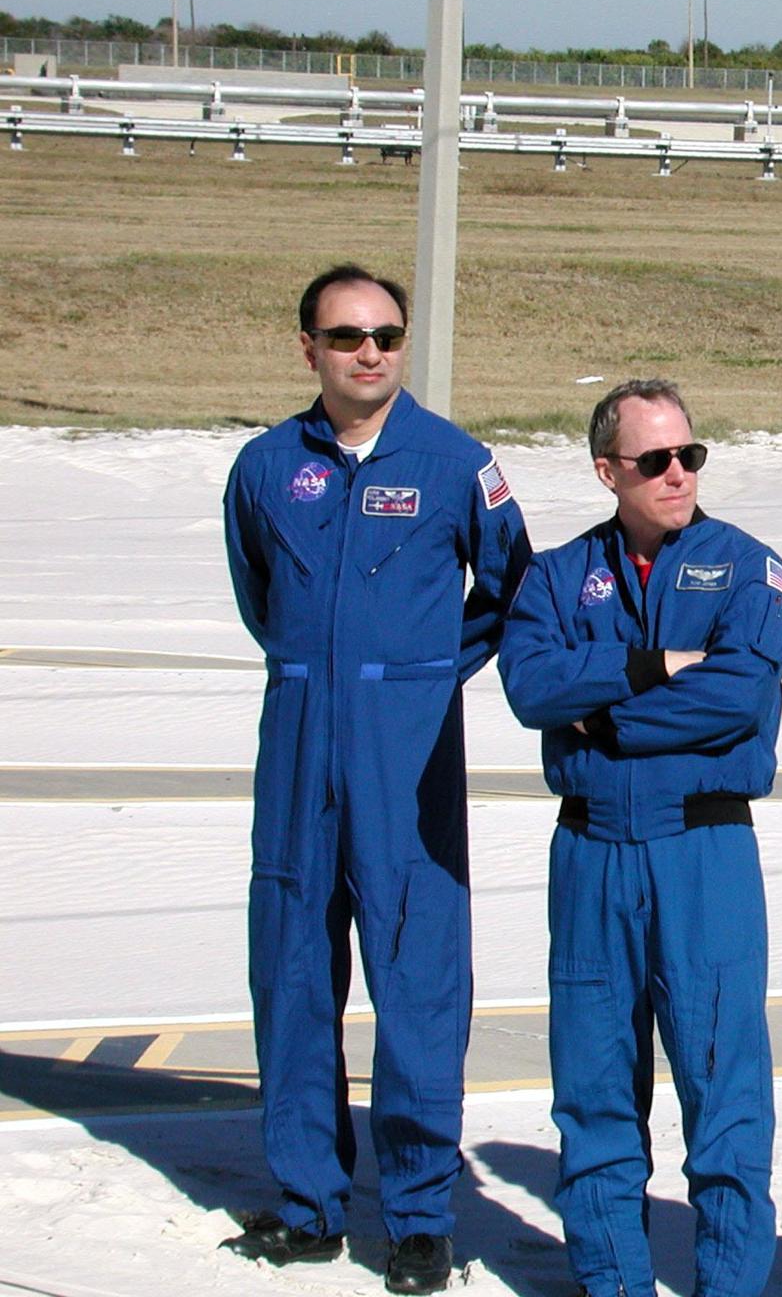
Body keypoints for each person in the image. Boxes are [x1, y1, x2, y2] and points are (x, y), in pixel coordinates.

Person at [220, 264, 531, 1294]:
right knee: (293, 972)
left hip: (408, 754)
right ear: (307, 347)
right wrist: (315, 669)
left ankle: (418, 1217)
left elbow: (512, 587)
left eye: (387, 336)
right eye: (348, 336)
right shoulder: (266, 467)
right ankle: (308, 1202)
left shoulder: (456, 463)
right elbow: (259, 592)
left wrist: (424, 673)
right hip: (298, 745)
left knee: (419, 982)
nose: (370, 353)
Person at [498, 379, 782, 1297]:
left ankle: (728, 1284)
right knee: (593, 1088)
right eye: (655, 460)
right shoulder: (556, 576)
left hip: (702, 851)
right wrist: (651, 664)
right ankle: (612, 1280)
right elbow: (531, 687)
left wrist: (604, 719)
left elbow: (736, 697)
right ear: (607, 471)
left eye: (689, 456)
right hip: (590, 853)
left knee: (723, 1086)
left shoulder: (747, 568)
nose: (677, 475)